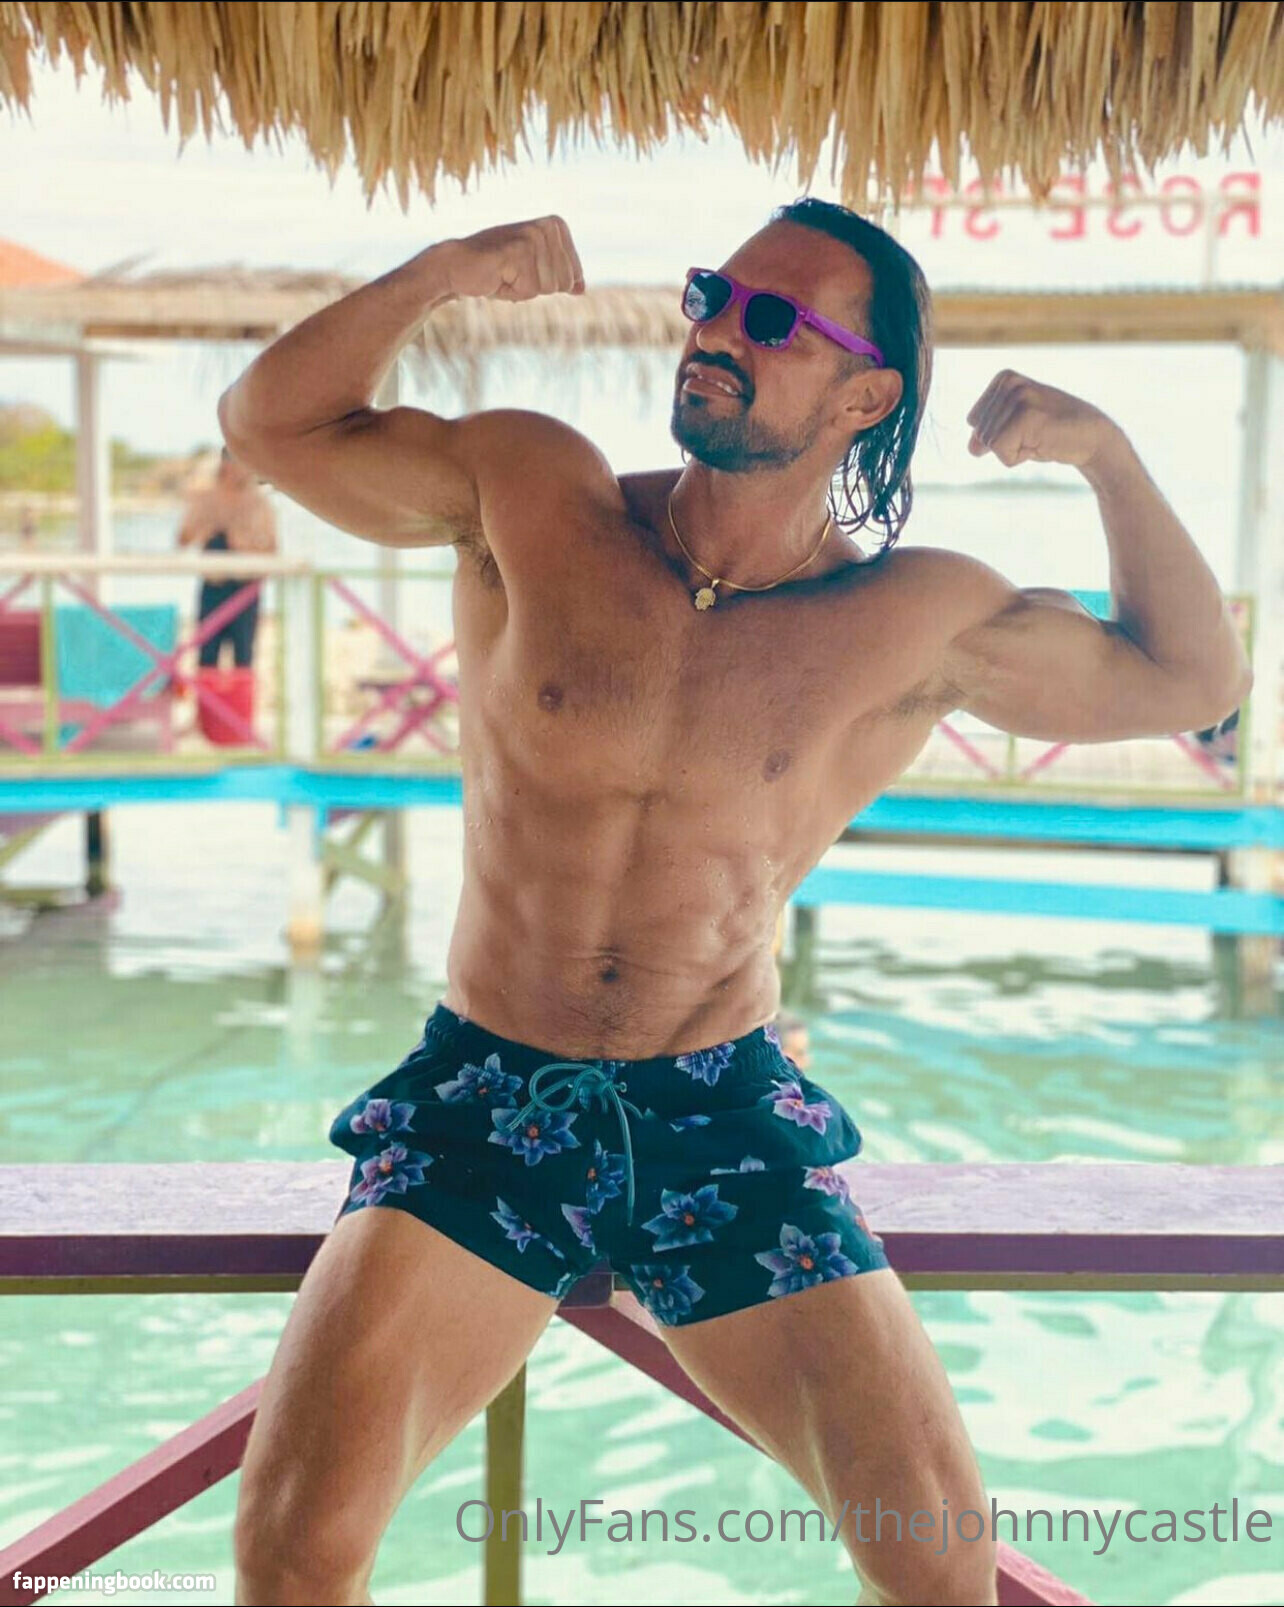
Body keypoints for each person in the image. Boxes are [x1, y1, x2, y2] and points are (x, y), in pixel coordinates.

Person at [218, 204, 1251, 1607]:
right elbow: (272, 423)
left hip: (720, 1104)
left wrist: (1107, 457)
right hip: (492, 1091)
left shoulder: (916, 617)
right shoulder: (534, 492)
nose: (716, 330)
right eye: (712, 293)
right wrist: (443, 276)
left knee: (941, 1553)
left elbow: (1193, 678)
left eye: (772, 320)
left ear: (866, 396)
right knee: (293, 1547)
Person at [177, 445, 277, 668]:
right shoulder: (205, 499)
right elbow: (182, 540)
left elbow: (273, 551)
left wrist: (243, 546)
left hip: (245, 587)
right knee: (207, 657)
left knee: (244, 657)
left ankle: (239, 693)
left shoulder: (259, 503)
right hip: (213, 586)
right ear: (226, 464)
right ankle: (207, 692)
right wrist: (205, 530)